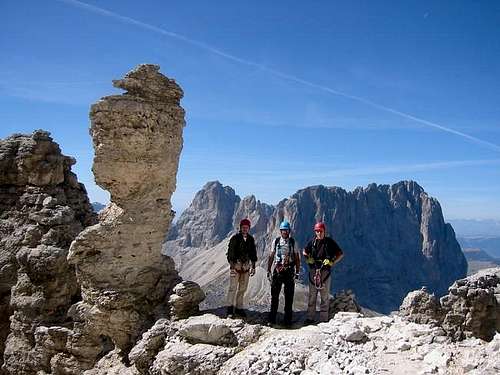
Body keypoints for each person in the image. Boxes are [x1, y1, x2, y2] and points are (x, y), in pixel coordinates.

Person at [303, 222, 344, 323]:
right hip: (313, 273)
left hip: (325, 273)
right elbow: (304, 251)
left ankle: (323, 320)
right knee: (312, 297)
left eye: (320, 231)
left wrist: (332, 262)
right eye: (317, 231)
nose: (319, 233)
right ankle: (310, 318)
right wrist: (308, 259)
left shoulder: (329, 242)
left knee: (324, 298)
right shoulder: (312, 242)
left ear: (324, 231)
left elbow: (340, 254)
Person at [267, 220, 300, 327]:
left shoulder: (293, 242)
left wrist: (297, 272)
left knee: (289, 297)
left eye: (286, 230)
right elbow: (271, 255)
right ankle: (272, 320)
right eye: (283, 230)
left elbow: (297, 258)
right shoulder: (276, 242)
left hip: (289, 271)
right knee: (274, 296)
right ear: (280, 231)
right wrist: (268, 269)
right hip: (277, 271)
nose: (285, 232)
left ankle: (287, 322)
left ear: (289, 231)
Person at [226, 218, 257, 317]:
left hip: (246, 267)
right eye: (243, 227)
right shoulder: (235, 238)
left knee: (243, 288)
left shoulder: (251, 239)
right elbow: (230, 253)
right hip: (236, 266)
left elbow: (253, 253)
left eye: (246, 228)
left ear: (249, 228)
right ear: (240, 228)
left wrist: (253, 266)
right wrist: (232, 266)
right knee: (233, 288)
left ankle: (239, 308)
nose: (245, 229)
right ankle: (230, 309)